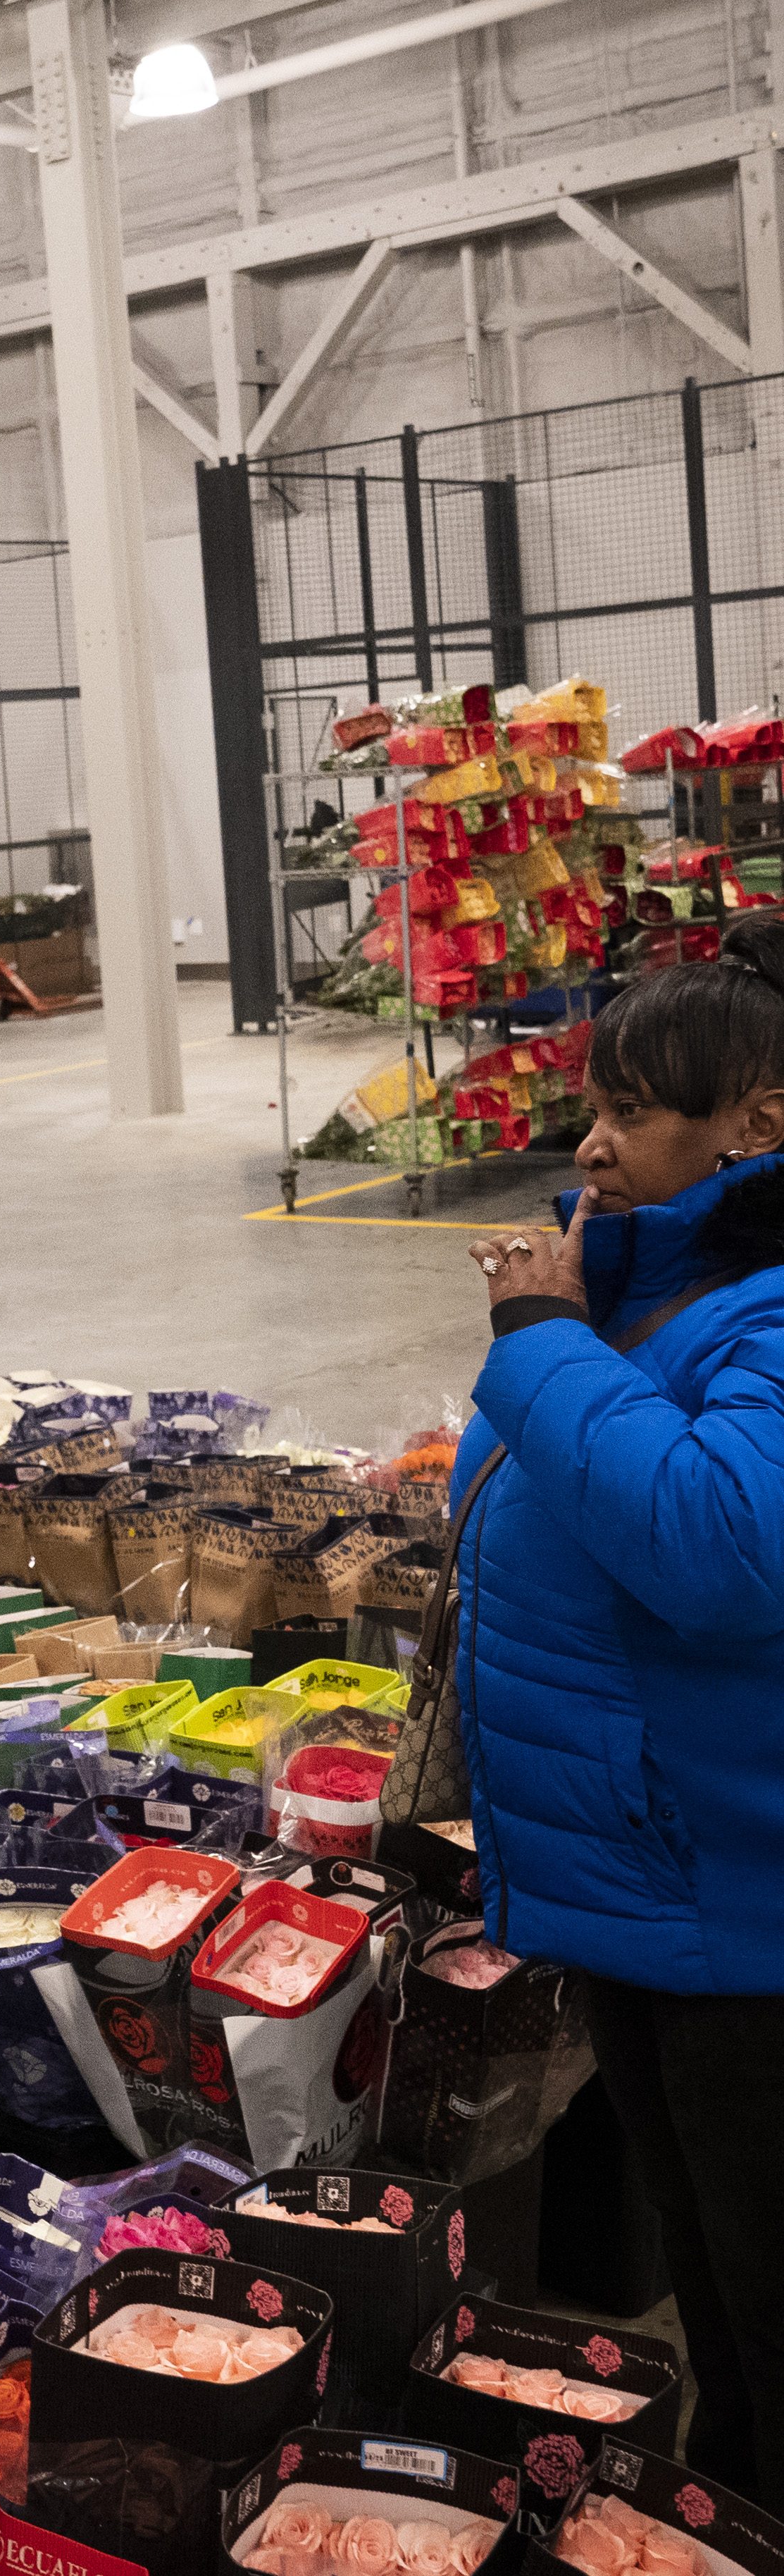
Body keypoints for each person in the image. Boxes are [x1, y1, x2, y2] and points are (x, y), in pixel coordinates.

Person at [455, 911, 784, 2504]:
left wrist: (537, 1343)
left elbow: (712, 1549)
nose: (587, 1138)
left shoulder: (765, 1309)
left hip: (736, 1898)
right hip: (643, 1886)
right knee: (716, 2299)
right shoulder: (657, 1285)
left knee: (766, 2304)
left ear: (753, 1124)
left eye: (629, 1110)